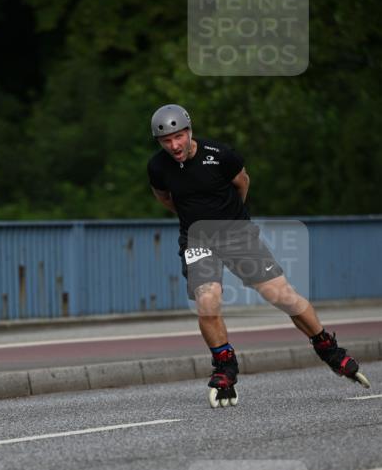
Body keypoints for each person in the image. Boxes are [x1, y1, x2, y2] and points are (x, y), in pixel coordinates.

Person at [147, 103, 370, 408]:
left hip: (237, 234)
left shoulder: (220, 154)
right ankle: (225, 367)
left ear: (189, 131)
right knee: (207, 299)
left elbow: (242, 182)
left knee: (281, 295)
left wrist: (232, 216)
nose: (174, 146)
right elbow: (164, 198)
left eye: (179, 137)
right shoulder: (158, 167)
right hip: (197, 238)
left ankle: (329, 349)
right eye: (166, 141)